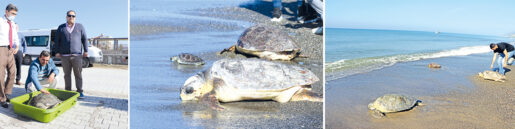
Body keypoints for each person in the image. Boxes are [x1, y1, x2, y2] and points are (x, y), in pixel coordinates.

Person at [54, 10, 88, 98]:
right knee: (67, 75)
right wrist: (56, 51)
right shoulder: (61, 27)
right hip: (64, 56)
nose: (71, 17)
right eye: (69, 15)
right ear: (66, 17)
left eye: (73, 16)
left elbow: (84, 39)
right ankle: (68, 91)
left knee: (78, 74)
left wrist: (86, 50)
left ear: (75, 17)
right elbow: (57, 40)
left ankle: (80, 91)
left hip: (77, 56)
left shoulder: (80, 27)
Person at [0, 4, 19, 108]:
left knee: (12, 73)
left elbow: (15, 35)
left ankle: (6, 93)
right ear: (6, 11)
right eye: (12, 13)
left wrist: (17, 46)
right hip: (1, 48)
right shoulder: (0, 21)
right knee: (0, 75)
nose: (13, 16)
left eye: (15, 14)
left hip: (10, 49)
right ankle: (2, 98)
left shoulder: (12, 23)